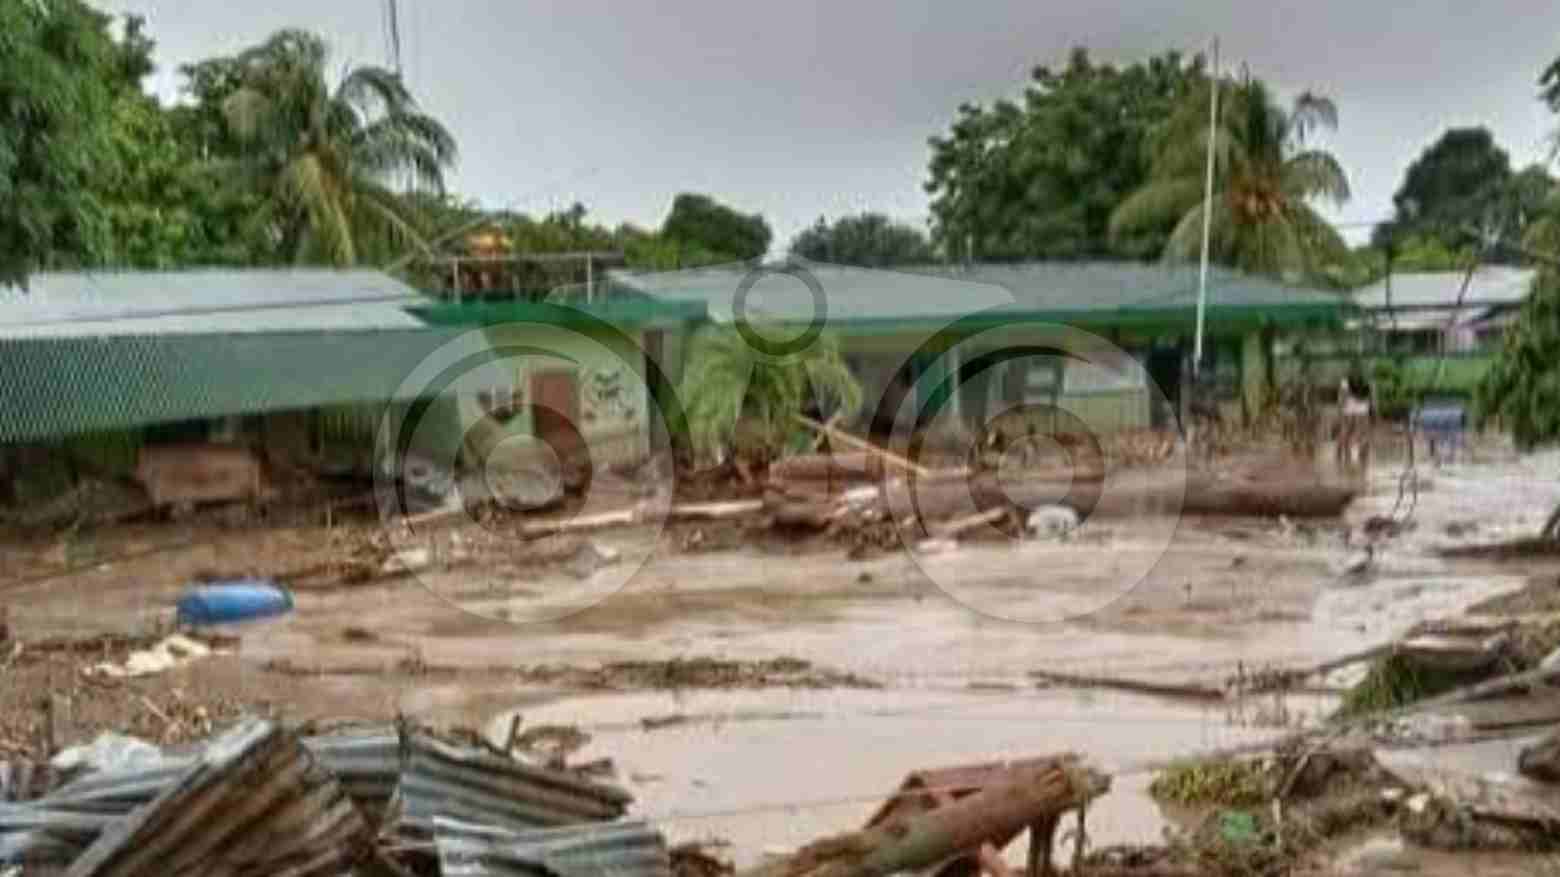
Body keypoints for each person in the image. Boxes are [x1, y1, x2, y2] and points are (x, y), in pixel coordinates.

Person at [1337, 369, 1372, 468]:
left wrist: (1340, 407)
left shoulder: (1345, 381)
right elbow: (1370, 395)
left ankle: (1341, 452)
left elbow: (1342, 395)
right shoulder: (1365, 380)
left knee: (1346, 430)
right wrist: (1372, 407)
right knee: (1362, 431)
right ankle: (1362, 454)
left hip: (1349, 408)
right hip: (1362, 408)